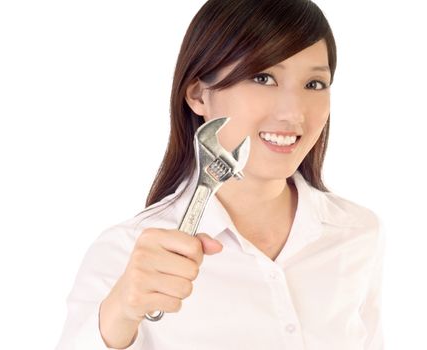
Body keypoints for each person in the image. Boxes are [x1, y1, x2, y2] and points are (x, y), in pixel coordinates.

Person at [56, 0, 385, 349]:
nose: (293, 113)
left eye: (315, 84)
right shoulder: (127, 252)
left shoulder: (357, 232)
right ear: (198, 95)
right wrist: (120, 312)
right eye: (263, 77)